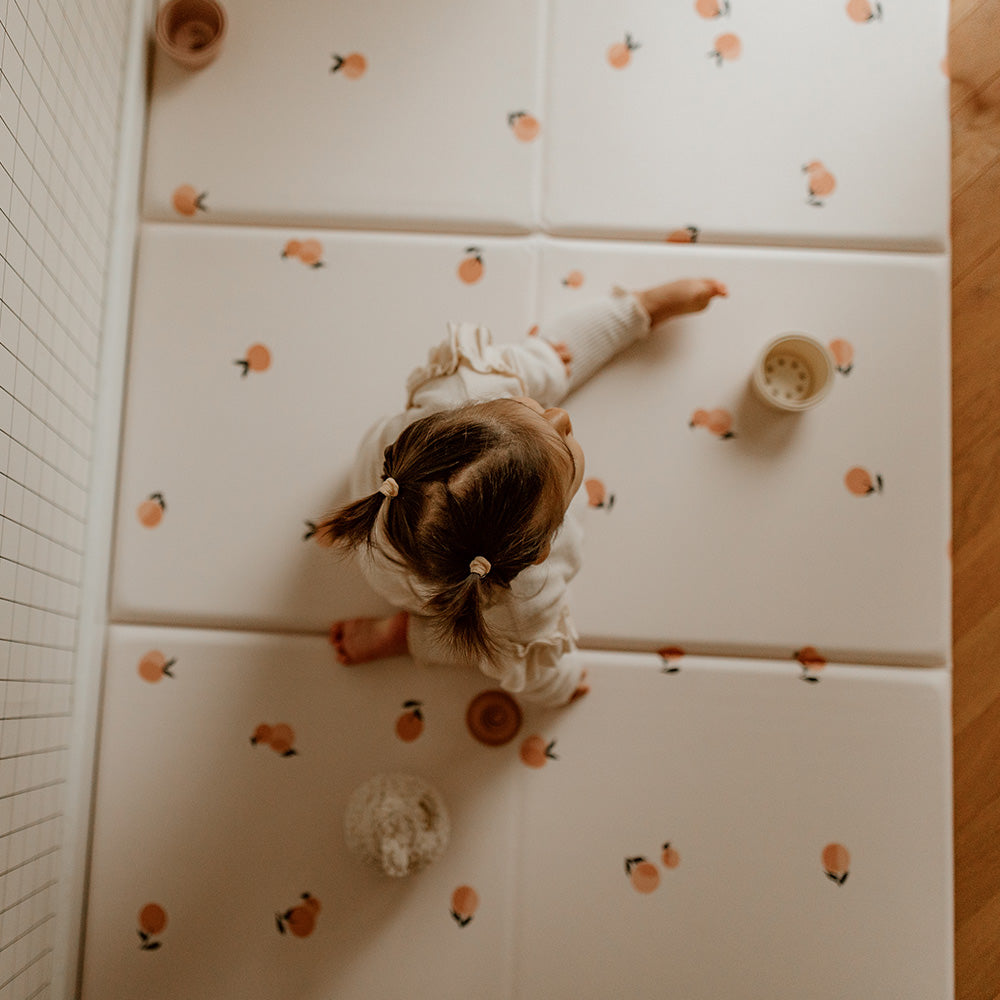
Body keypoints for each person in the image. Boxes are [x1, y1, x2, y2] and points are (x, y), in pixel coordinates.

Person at [316, 278, 728, 707]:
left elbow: (546, 361)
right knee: (473, 637)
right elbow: (529, 665)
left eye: (531, 409)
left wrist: (639, 309)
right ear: (538, 553)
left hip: (379, 499)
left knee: (540, 367)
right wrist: (561, 684)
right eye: (564, 451)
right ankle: (405, 637)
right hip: (442, 600)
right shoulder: (522, 602)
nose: (561, 416)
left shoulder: (463, 391)